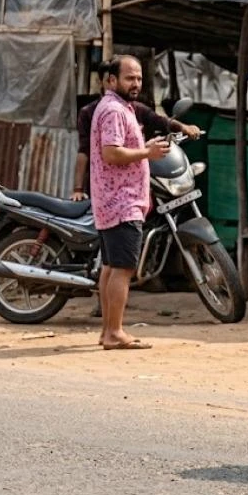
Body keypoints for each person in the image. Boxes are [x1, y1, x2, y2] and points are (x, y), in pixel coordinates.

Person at [91, 55, 170, 350]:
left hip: (114, 200)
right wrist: (146, 153)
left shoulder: (119, 108)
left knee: (111, 267)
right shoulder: (113, 110)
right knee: (122, 269)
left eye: (138, 78)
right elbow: (111, 153)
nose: (136, 83)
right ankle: (114, 332)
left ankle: (107, 331)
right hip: (121, 201)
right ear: (110, 80)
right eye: (129, 78)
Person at [72, 87, 200, 202]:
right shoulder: (90, 113)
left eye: (139, 79)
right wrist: (78, 188)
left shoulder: (134, 108)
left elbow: (160, 120)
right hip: (106, 183)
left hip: (135, 179)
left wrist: (183, 127)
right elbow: (84, 150)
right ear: (102, 82)